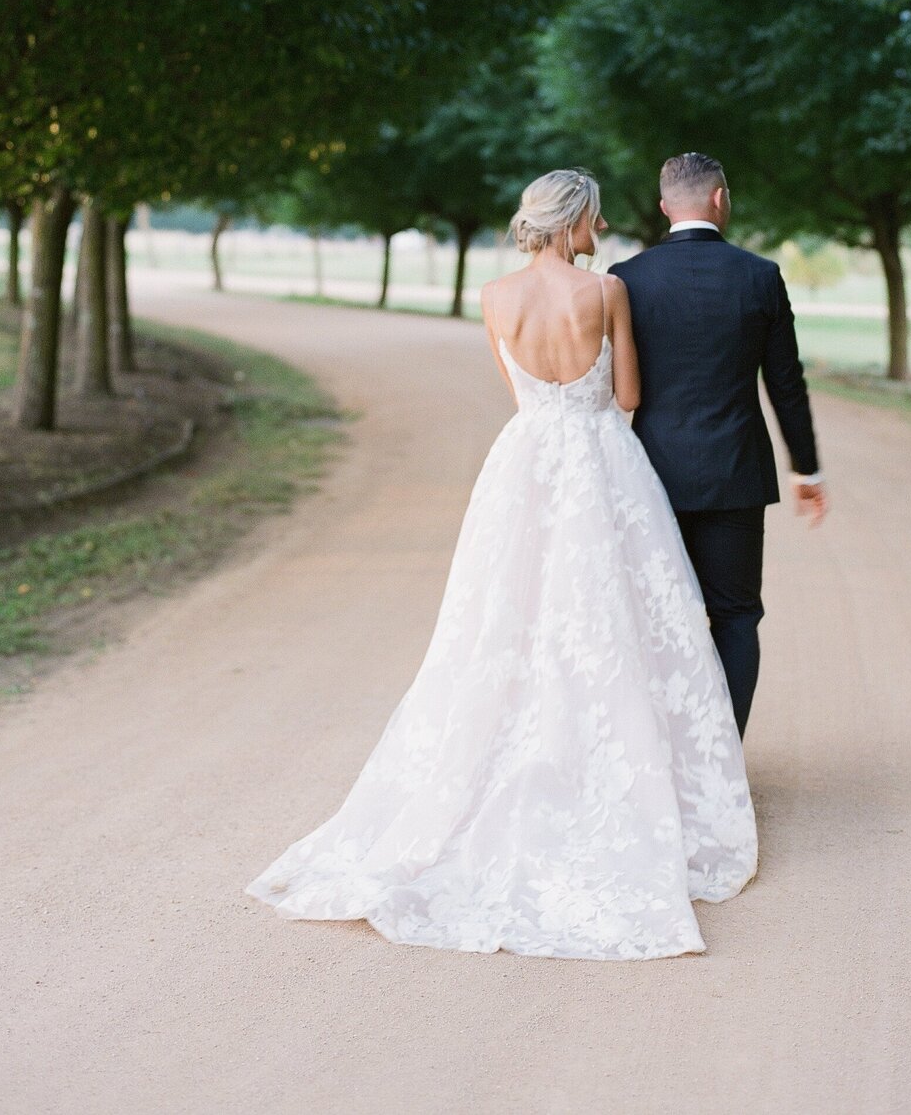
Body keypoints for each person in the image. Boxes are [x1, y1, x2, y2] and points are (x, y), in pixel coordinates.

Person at [246, 168, 756, 960]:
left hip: (525, 467)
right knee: (613, 624)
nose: (602, 228)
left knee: (505, 621)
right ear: (571, 222)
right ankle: (607, 775)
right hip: (601, 468)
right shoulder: (605, 294)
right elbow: (626, 396)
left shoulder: (494, 297)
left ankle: (510, 765)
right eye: (594, 218)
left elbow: (525, 396)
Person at [610, 152, 826, 737]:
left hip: (651, 475)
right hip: (735, 475)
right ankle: (722, 759)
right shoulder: (759, 276)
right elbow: (787, 383)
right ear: (720, 199)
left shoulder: (627, 278)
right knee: (733, 616)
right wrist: (807, 470)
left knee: (659, 620)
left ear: (663, 208)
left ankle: (669, 760)